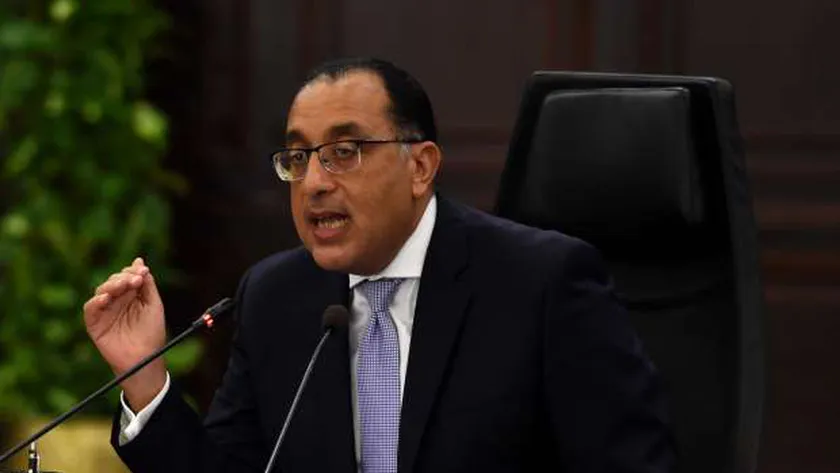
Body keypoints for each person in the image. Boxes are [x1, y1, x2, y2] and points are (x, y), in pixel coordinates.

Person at [84, 57, 675, 472]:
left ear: (420, 167)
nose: (314, 182)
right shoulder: (276, 296)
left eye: (344, 152)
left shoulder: (539, 283)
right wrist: (143, 376)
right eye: (298, 157)